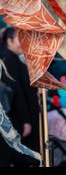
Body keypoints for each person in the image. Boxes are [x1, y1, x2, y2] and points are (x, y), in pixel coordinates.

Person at [0, 26, 40, 167]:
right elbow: (17, 93)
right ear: (9, 41)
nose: (23, 42)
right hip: (18, 119)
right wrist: (25, 121)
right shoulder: (8, 61)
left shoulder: (13, 59)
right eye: (19, 39)